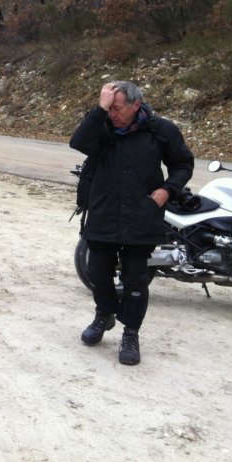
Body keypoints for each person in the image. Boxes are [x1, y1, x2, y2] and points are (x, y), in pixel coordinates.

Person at [70, 80, 193, 365]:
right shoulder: (101, 127)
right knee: (97, 272)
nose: (112, 113)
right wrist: (100, 109)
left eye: (117, 108)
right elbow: (78, 143)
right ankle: (104, 315)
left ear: (136, 105)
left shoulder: (160, 130)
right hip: (103, 214)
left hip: (141, 216)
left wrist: (167, 190)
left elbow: (183, 164)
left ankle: (131, 333)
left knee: (136, 280)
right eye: (108, 108)